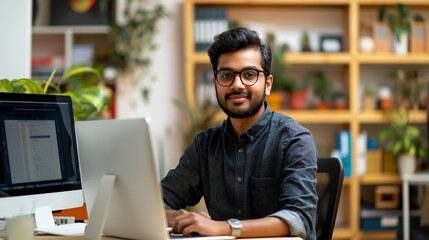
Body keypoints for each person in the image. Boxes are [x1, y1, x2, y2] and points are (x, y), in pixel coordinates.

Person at [161, 27, 318, 240]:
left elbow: (299, 219)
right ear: (216, 84)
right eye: (226, 75)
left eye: (249, 75)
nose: (237, 84)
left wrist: (225, 228)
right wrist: (175, 218)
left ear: (268, 84)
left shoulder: (294, 139)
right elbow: (159, 201)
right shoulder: (204, 145)